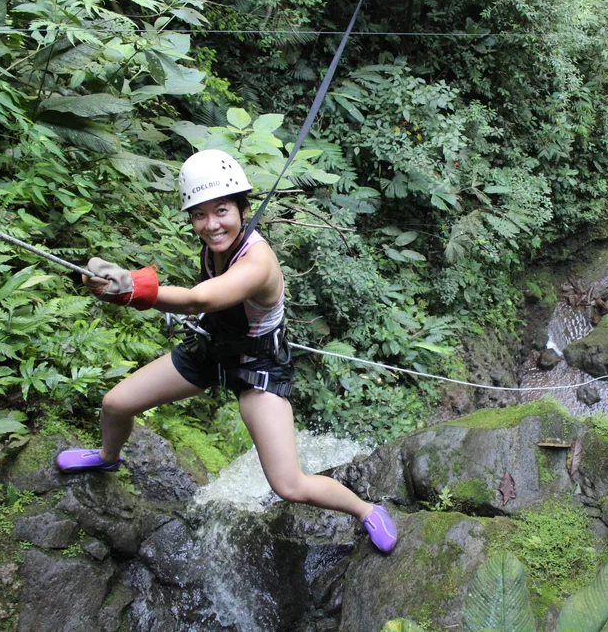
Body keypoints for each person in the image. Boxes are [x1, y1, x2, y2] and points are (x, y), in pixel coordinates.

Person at [54, 149, 397, 554]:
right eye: (200, 214)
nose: (211, 224)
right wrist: (122, 287)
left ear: (242, 208)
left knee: (289, 485)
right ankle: (109, 456)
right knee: (115, 403)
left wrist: (131, 288)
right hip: (210, 348)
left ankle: (365, 510)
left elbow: (201, 298)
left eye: (222, 211)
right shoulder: (215, 245)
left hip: (258, 366)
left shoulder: (258, 262)